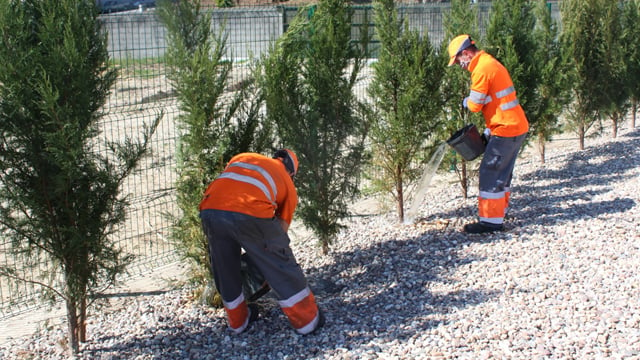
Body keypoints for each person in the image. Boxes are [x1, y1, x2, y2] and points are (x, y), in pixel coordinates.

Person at [199, 149, 324, 334]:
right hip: (250, 211)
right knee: (282, 265)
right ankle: (308, 321)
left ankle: (238, 322)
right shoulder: (288, 183)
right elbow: (278, 237)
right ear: (292, 172)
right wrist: (267, 268)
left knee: (224, 267)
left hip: (210, 210)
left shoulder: (242, 157)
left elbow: (231, 187)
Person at [447, 34, 529, 234]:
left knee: (490, 172)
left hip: (505, 129)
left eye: (458, 61)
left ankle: (490, 222)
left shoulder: (482, 69)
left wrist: (465, 101)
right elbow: (498, 102)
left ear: (465, 53)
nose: (460, 66)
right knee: (503, 173)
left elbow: (475, 105)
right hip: (513, 126)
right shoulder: (488, 62)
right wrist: (488, 130)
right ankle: (500, 211)